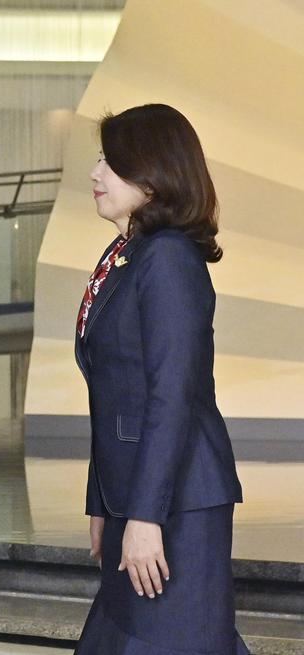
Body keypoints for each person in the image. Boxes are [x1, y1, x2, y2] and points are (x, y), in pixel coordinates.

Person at [74, 103, 248, 654]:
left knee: (174, 641)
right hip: (138, 494)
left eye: (113, 164)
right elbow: (112, 394)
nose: (96, 174)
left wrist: (145, 515)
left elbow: (171, 395)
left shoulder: (168, 259)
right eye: (99, 160)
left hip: (176, 502)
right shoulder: (129, 252)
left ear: (154, 178)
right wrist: (104, 503)